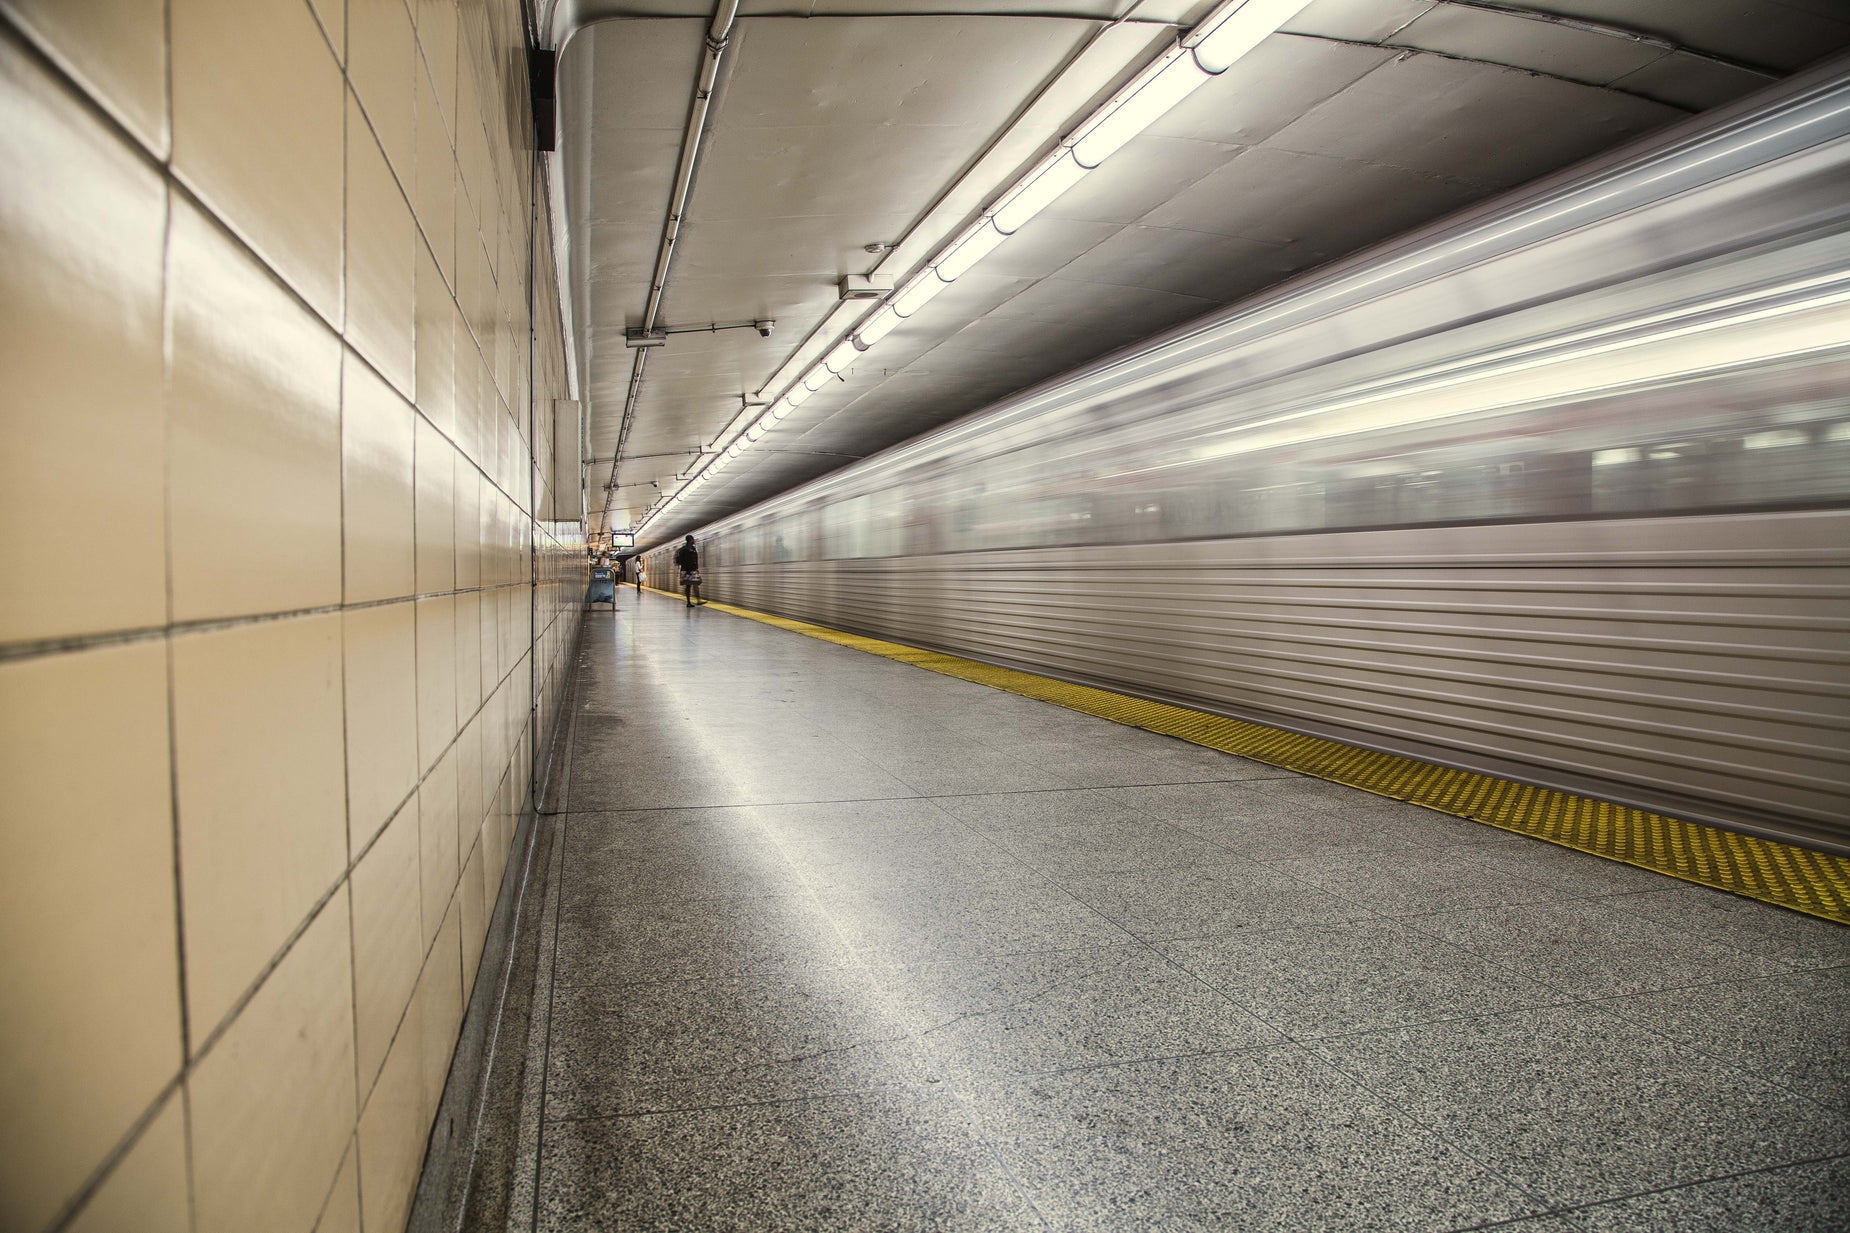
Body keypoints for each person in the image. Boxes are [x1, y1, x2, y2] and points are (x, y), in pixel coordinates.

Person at [674, 535, 703, 607]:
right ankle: (692, 601)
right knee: (691, 585)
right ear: (691, 540)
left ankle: (693, 601)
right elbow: (687, 561)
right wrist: (690, 570)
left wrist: (696, 568)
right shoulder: (686, 549)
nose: (694, 541)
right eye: (693, 539)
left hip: (690, 570)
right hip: (689, 571)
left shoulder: (691, 548)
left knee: (691, 585)